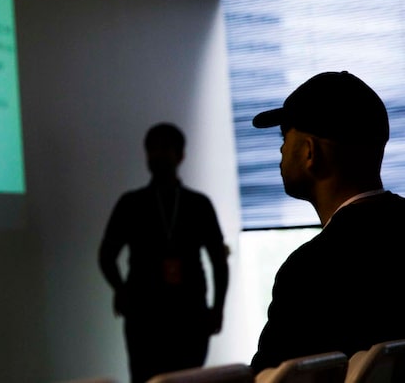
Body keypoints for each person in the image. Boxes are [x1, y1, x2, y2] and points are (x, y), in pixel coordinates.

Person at [249, 71, 405, 375]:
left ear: (310, 152)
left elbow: (271, 378)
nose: (280, 150)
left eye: (285, 136)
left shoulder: (311, 270)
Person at [99, 123, 229, 383]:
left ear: (181, 155)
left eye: (165, 148)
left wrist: (218, 307)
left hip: (190, 314)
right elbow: (106, 255)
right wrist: (121, 289)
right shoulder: (131, 203)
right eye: (152, 149)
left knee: (189, 379)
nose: (157, 155)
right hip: (144, 316)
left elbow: (218, 261)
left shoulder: (198, 204)